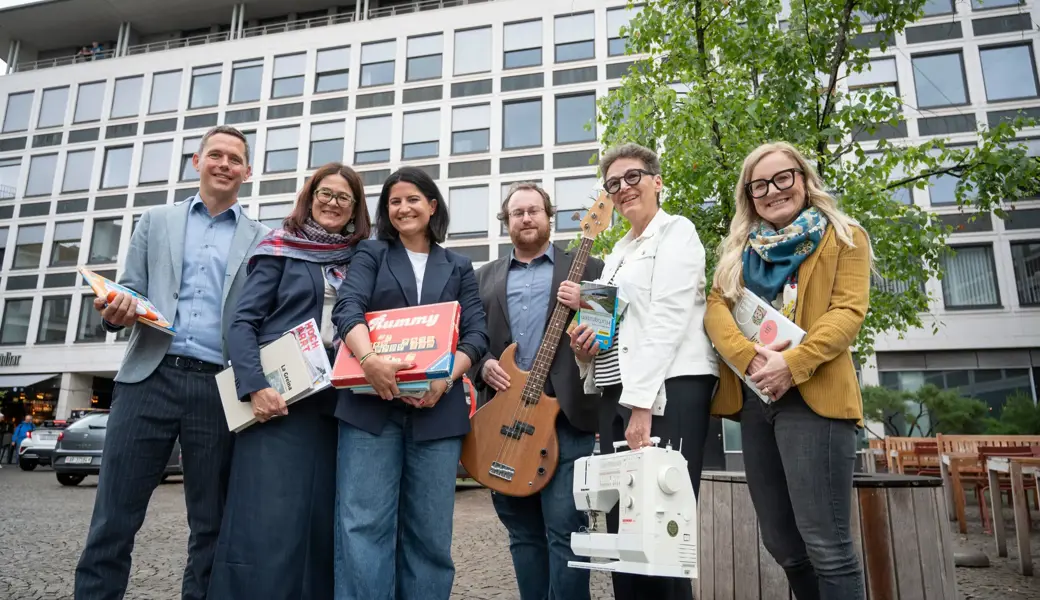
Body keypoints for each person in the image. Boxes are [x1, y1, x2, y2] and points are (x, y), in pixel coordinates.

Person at [74, 125, 267, 600]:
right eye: (215, 155)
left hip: (218, 389)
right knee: (113, 519)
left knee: (211, 527)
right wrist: (116, 310)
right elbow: (129, 290)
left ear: (247, 171)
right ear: (196, 162)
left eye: (234, 159)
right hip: (148, 380)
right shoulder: (155, 220)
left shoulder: (263, 238)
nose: (224, 164)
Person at [705, 141, 870, 600]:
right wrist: (751, 359)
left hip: (815, 400)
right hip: (758, 402)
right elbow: (715, 310)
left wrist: (791, 364)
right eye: (760, 184)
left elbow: (848, 313)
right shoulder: (738, 250)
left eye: (783, 178)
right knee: (781, 543)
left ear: (803, 178)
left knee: (827, 546)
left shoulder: (845, 236)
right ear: (748, 195)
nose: (773, 190)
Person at [560, 142, 718, 600]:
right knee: (623, 538)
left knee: (661, 536)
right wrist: (583, 346)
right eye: (613, 184)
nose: (623, 188)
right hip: (616, 396)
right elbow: (600, 334)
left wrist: (641, 406)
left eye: (633, 177)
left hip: (667, 391)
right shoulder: (615, 255)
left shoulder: (678, 233)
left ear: (656, 181)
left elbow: (667, 319)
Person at [207, 163, 371, 600]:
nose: (332, 203)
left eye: (343, 197)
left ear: (355, 209)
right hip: (278, 407)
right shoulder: (280, 247)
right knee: (267, 525)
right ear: (310, 196)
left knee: (323, 525)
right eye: (325, 193)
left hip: (338, 408)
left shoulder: (363, 257)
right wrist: (254, 385)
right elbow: (242, 322)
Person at [331, 166, 488, 600]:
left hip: (437, 414)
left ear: (432, 205)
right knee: (363, 527)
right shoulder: (371, 253)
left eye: (413, 199)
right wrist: (368, 360)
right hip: (369, 410)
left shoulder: (458, 266)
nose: (404, 208)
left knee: (431, 536)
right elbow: (347, 308)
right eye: (394, 201)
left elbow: (477, 334)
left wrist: (446, 378)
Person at [470, 183, 604, 600]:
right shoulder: (482, 277)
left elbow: (608, 336)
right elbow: (470, 338)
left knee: (567, 534)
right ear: (506, 222)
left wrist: (591, 330)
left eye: (534, 211)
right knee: (523, 535)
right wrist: (482, 364)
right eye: (517, 213)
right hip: (505, 423)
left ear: (549, 216)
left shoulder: (592, 269)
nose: (526, 218)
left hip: (567, 419)